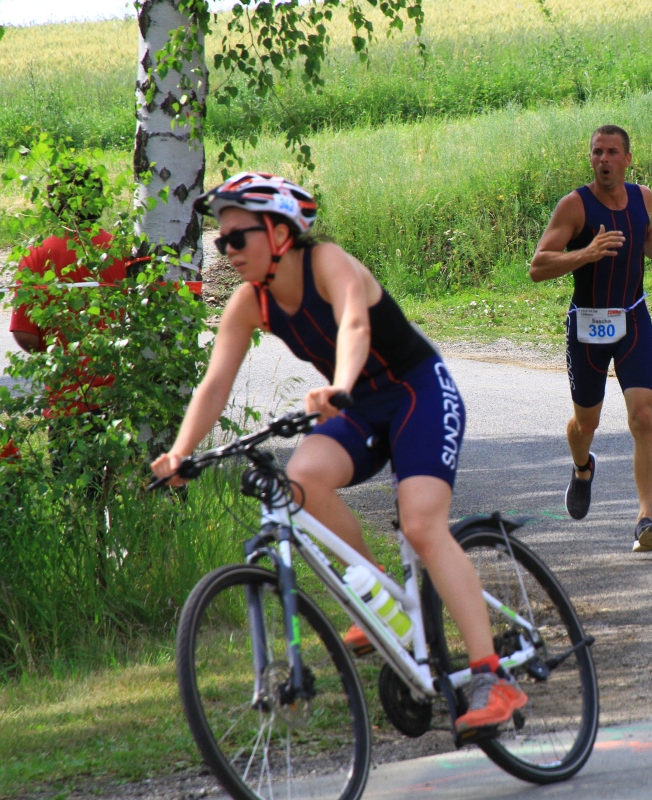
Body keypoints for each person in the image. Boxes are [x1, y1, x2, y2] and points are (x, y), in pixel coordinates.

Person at [150, 172, 526, 734]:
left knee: (422, 525)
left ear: (280, 234)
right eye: (220, 241)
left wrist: (340, 386)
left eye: (237, 238)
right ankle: (377, 591)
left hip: (417, 392)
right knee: (300, 479)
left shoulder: (326, 262)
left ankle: (491, 676)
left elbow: (354, 323)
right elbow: (215, 384)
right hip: (358, 406)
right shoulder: (249, 302)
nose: (226, 251)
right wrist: (180, 453)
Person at [529, 125, 652, 552]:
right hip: (587, 326)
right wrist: (585, 254)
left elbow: (646, 237)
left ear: (627, 159)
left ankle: (645, 520)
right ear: (591, 159)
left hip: (632, 319)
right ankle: (583, 468)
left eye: (612, 152)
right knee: (586, 424)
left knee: (644, 417)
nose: (604, 159)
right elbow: (538, 266)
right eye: (597, 152)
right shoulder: (575, 206)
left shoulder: (642, 197)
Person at [9, 167, 131, 476]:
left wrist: (59, 354)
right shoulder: (121, 250)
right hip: (121, 397)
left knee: (73, 487)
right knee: (117, 486)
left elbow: (24, 334)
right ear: (98, 201)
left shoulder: (37, 254)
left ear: (53, 204)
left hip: (66, 400)